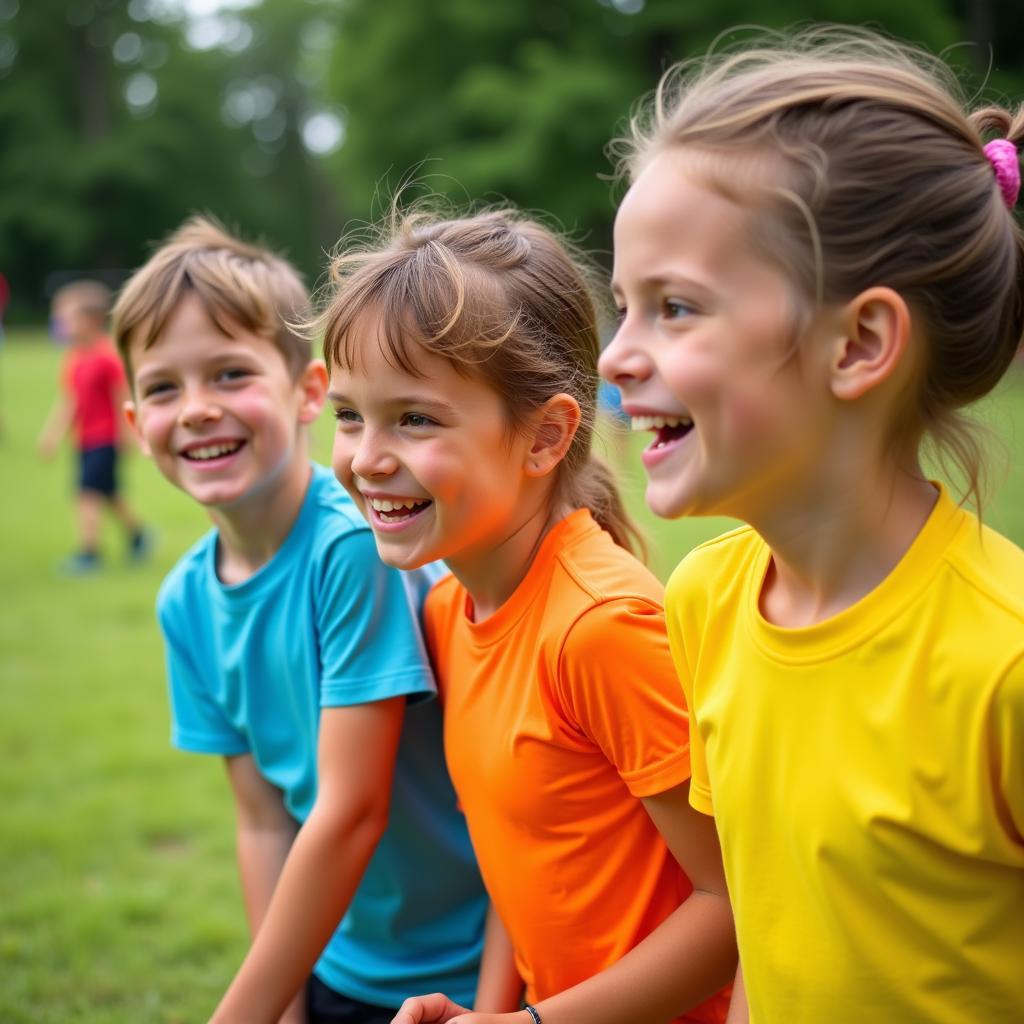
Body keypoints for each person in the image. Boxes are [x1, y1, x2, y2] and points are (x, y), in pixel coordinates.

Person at [599, 26, 1024, 1023]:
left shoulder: (1000, 664)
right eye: (621, 306)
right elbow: (770, 924)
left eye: (673, 308)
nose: (617, 355)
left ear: (859, 343)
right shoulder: (704, 598)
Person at [320, 207, 736, 1024]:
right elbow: (522, 869)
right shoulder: (447, 606)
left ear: (545, 436)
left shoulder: (603, 627)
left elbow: (734, 906)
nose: (366, 457)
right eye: (347, 415)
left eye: (414, 418)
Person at [113, 216, 488, 1024]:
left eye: (229, 373)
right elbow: (261, 822)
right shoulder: (184, 600)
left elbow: (353, 811)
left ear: (308, 391)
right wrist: (280, 1003)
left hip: (461, 971)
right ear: (137, 424)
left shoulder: (350, 549)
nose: (199, 409)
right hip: (333, 960)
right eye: (165, 388)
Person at [37, 279, 149, 572]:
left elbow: (122, 396)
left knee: (87, 492)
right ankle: (139, 535)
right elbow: (69, 401)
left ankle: (89, 553)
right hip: (84, 439)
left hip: (106, 437)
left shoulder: (106, 356)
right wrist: (52, 435)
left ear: (93, 319)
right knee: (108, 492)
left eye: (68, 317)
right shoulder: (74, 357)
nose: (62, 324)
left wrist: (129, 434)